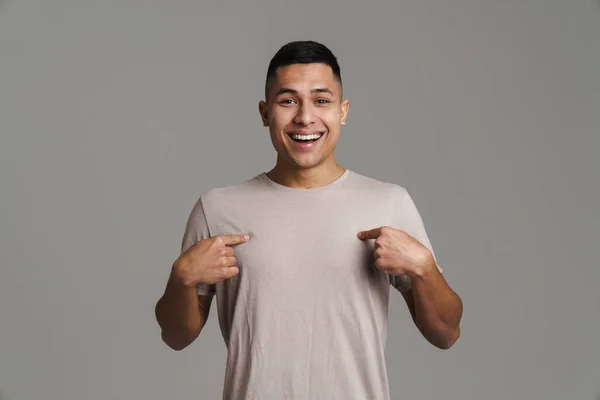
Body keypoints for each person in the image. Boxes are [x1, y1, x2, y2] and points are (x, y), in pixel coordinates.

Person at [155, 40, 463, 400]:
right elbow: (176, 337)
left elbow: (445, 333)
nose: (305, 116)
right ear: (264, 112)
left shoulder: (389, 203)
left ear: (343, 111)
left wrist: (425, 268)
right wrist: (181, 279)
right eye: (288, 101)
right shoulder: (217, 208)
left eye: (321, 100)